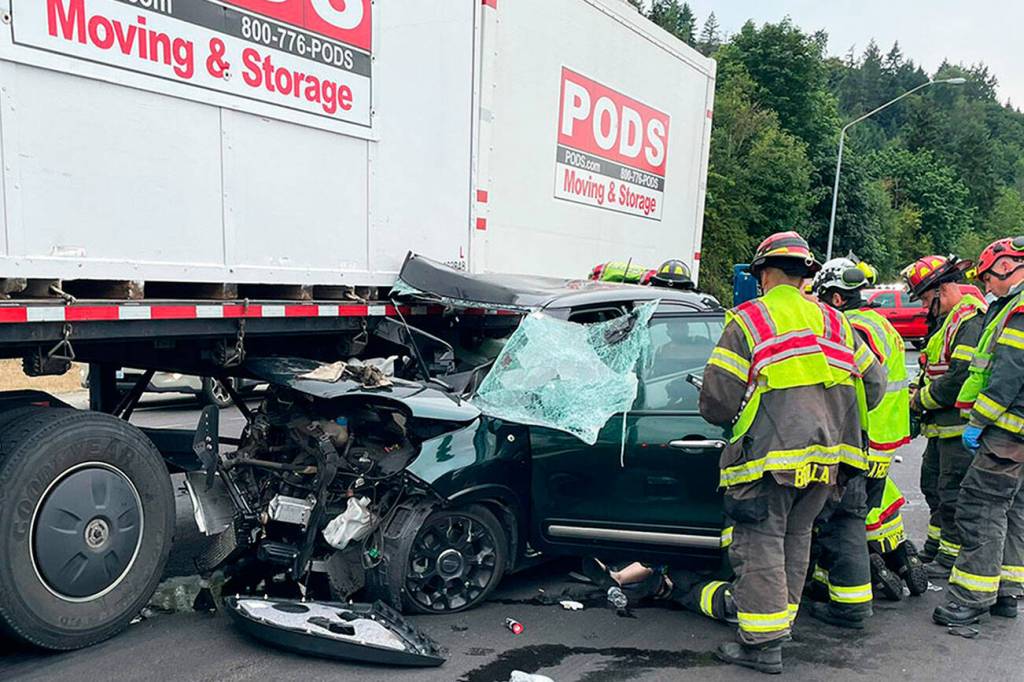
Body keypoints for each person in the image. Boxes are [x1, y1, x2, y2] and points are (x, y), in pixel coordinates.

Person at [700, 231, 885, 674]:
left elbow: (718, 401)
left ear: (764, 273)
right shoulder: (835, 322)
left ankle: (762, 645)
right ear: (805, 276)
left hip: (768, 460)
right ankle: (779, 626)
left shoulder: (750, 320)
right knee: (797, 538)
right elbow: (875, 386)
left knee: (760, 543)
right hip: (829, 462)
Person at [806, 258, 913, 627]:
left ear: (836, 298)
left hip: (861, 439)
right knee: (854, 517)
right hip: (883, 440)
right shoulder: (880, 322)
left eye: (823, 299)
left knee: (840, 519)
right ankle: (830, 585)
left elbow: (852, 384)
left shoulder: (852, 328)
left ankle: (847, 597)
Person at [933, 236, 1024, 626]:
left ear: (1006, 266)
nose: (986, 286)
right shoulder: (1010, 307)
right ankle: (1006, 592)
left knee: (980, 508)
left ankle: (971, 598)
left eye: (987, 277)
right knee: (1014, 511)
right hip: (1018, 434)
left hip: (1007, 432)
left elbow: (1006, 375)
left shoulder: (1018, 311)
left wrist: (978, 421)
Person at [901, 256, 987, 578]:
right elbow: (932, 367)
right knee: (933, 487)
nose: (925, 306)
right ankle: (935, 547)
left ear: (943, 289)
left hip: (958, 427)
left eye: (926, 298)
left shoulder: (970, 321)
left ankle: (950, 557)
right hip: (941, 427)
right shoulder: (948, 321)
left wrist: (919, 401)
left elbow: (959, 377)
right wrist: (916, 389)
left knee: (952, 494)